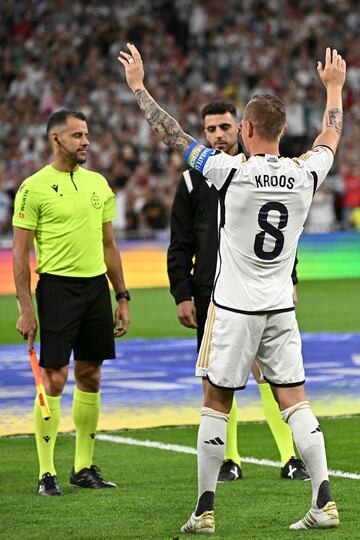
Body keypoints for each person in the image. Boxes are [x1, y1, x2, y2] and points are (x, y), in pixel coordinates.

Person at [118, 45, 345, 532]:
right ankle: (323, 500)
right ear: (283, 132)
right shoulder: (306, 173)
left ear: (244, 131)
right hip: (281, 305)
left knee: (216, 401)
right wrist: (333, 88)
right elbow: (330, 134)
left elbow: (173, 134)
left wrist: (139, 87)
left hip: (234, 307)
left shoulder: (230, 171)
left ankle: (204, 510)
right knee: (295, 401)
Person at [167, 100, 308, 482]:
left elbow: (285, 235)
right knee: (215, 381)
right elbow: (180, 241)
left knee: (267, 374)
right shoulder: (194, 180)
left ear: (241, 129)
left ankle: (288, 457)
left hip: (260, 290)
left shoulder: (249, 174)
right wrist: (181, 292)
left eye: (224, 128)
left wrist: (289, 279)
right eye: (210, 129)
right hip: (210, 292)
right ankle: (230, 458)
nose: (217, 136)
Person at [12, 110, 130, 496]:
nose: (86, 142)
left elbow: (110, 245)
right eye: (77, 135)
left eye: (87, 135)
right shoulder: (33, 188)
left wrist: (122, 295)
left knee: (91, 375)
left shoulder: (98, 184)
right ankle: (46, 473)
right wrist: (25, 308)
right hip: (57, 290)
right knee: (55, 378)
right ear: (55, 139)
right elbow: (19, 255)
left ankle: (82, 466)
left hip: (96, 288)